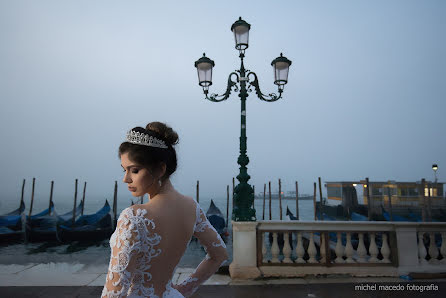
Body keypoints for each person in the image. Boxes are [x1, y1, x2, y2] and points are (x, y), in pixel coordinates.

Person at [102, 122, 229, 298]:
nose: (126, 179)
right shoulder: (192, 207)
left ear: (160, 169)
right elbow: (220, 254)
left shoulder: (133, 217)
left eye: (135, 170)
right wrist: (184, 289)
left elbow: (114, 293)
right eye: (124, 170)